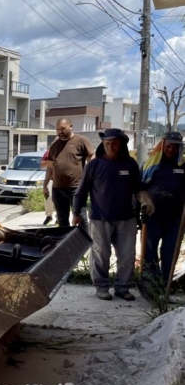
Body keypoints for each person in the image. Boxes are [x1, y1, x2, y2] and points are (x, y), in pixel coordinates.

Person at [72, 128, 154, 301]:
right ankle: (101, 287)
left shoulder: (130, 164)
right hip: (100, 218)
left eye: (115, 143)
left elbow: (137, 188)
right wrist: (76, 212)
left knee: (127, 256)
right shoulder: (94, 165)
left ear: (122, 145)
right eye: (107, 143)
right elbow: (81, 191)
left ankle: (122, 288)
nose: (111, 147)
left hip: (127, 218)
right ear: (103, 144)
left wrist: (145, 198)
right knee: (101, 254)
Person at [141, 131, 185, 292]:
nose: (171, 150)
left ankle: (166, 283)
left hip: (176, 218)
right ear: (163, 146)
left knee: (170, 250)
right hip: (154, 215)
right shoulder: (150, 166)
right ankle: (150, 282)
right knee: (150, 250)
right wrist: (145, 202)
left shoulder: (182, 166)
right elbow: (140, 189)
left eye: (175, 147)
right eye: (168, 146)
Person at [43, 118, 95, 228]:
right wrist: (45, 185)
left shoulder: (81, 140)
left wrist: (91, 180)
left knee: (80, 218)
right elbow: (50, 167)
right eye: (57, 129)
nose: (60, 131)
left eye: (63, 128)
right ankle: (66, 243)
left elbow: (92, 160)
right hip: (57, 188)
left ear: (71, 126)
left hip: (76, 188)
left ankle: (84, 244)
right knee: (62, 221)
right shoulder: (54, 144)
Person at [40, 149, 55, 225]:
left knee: (60, 200)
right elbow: (42, 165)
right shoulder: (49, 152)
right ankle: (49, 216)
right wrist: (51, 162)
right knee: (48, 198)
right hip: (50, 179)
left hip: (63, 180)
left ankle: (59, 218)